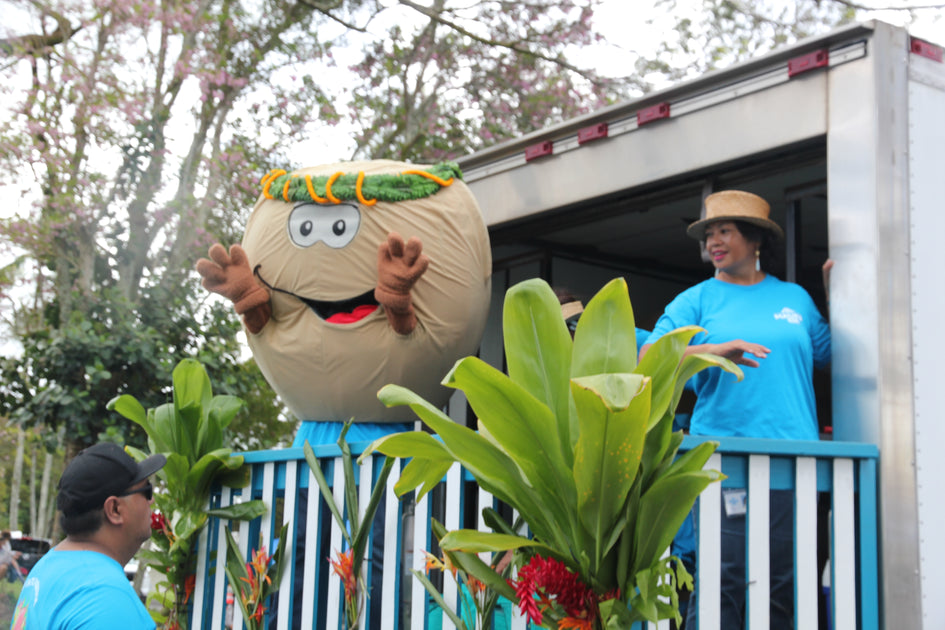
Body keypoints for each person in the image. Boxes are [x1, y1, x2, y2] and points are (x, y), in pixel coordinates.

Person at [640, 190, 831, 629]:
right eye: (709, 234)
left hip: (793, 465)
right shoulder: (697, 300)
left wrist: (833, 292)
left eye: (724, 230)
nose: (713, 241)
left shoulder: (796, 299)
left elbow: (829, 353)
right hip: (724, 464)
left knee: (786, 582)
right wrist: (712, 349)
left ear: (756, 239)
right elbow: (648, 358)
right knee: (723, 579)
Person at [11, 442, 166, 630]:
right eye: (146, 491)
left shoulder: (47, 568)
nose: (151, 500)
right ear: (115, 509)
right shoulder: (105, 597)